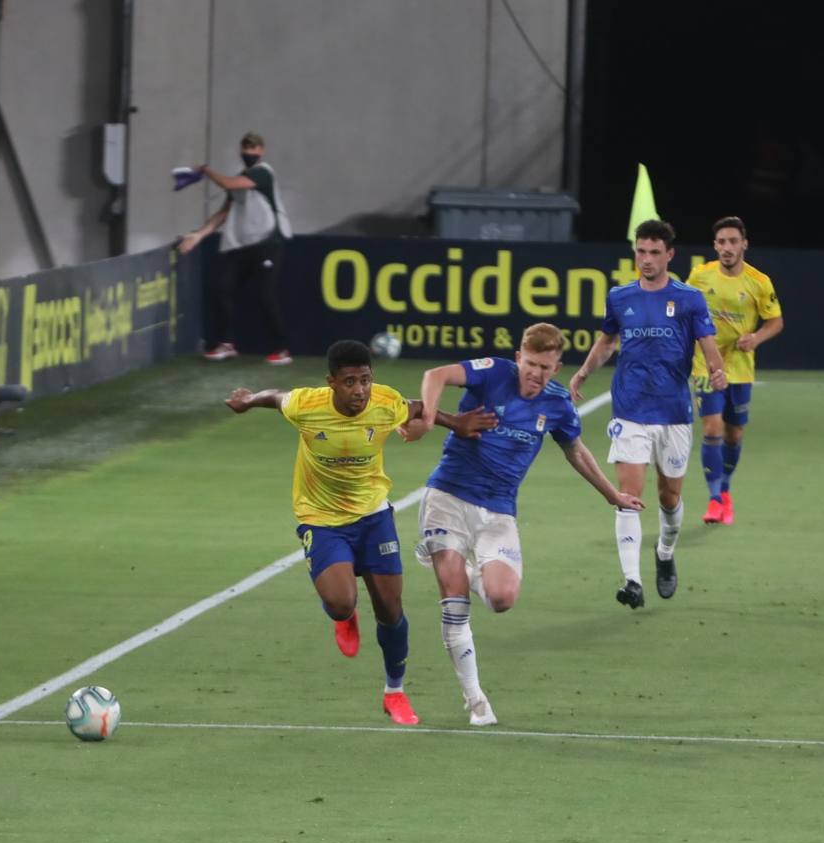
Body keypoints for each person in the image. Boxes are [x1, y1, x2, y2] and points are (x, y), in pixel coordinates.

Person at [225, 339, 494, 725]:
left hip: (373, 517)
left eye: (365, 380)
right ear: (331, 382)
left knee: (390, 609)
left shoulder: (384, 402)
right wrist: (249, 399)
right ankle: (344, 615)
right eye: (350, 381)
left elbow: (417, 409)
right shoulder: (307, 406)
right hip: (321, 518)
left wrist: (457, 423)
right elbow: (276, 396)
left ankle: (395, 691)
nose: (359, 390)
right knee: (340, 602)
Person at [413, 323, 645, 725]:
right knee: (455, 605)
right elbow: (436, 376)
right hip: (448, 498)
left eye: (545, 367)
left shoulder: (557, 404)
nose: (535, 374)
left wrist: (612, 495)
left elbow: (576, 450)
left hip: (499, 510)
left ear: (556, 368)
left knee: (502, 599)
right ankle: (475, 699)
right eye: (530, 364)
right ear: (519, 357)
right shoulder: (492, 372)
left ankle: (460, 567)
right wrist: (433, 417)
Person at [569, 220, 728, 610]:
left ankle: (665, 550)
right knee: (628, 496)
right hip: (631, 409)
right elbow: (607, 341)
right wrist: (584, 372)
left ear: (669, 255)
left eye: (655, 252)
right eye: (641, 251)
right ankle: (632, 580)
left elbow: (707, 343)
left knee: (669, 497)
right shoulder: (620, 296)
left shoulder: (689, 299)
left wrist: (718, 369)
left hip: (673, 413)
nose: (646, 259)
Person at [687, 216, 784, 525]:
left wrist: (756, 337)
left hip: (740, 368)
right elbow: (685, 310)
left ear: (744, 244)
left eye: (732, 241)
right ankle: (714, 499)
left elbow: (776, 322)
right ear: (715, 246)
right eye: (721, 242)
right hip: (705, 363)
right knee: (712, 429)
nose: (727, 248)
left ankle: (725, 490)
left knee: (734, 432)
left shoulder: (759, 281)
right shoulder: (700, 276)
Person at [178, 131, 293, 365]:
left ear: (261, 151)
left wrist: (204, 169)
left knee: (265, 296)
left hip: (268, 244)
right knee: (222, 287)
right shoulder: (240, 182)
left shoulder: (263, 173)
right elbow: (223, 214)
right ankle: (226, 344)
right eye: (245, 149)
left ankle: (281, 349)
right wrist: (198, 235)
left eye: (253, 149)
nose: (248, 153)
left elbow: (227, 182)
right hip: (241, 246)